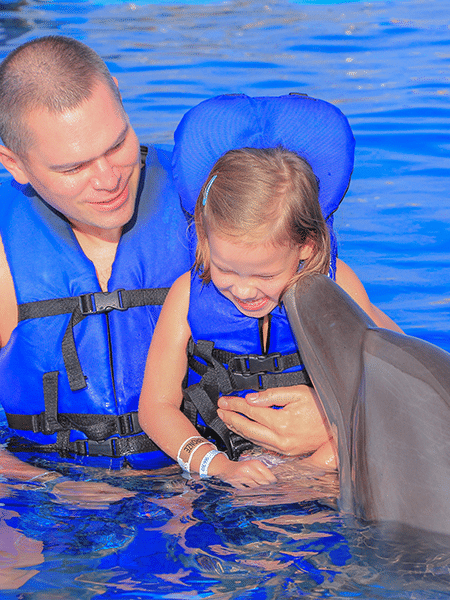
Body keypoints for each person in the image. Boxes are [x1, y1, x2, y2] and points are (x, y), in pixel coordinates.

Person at [138, 147, 402, 488]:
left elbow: (380, 392)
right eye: (225, 269)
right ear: (204, 237)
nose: (245, 291)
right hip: (221, 471)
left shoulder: (338, 287)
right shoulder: (186, 296)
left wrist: (315, 467)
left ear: (306, 247)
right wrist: (216, 466)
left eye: (264, 276)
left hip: (322, 470)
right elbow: (156, 407)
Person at [0, 35, 191, 476]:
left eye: (117, 145)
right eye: (73, 168)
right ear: (15, 165)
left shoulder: (211, 204)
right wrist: (50, 489)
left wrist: (322, 423)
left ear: (120, 98)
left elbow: (372, 351)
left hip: (216, 490)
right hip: (55, 501)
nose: (108, 180)